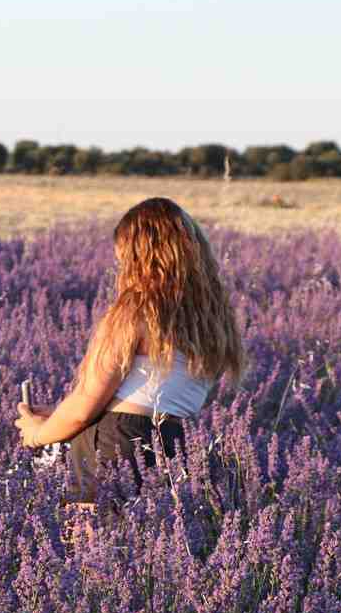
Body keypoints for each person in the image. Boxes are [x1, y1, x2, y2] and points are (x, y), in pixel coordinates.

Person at [14, 197, 247, 536]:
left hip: (114, 446)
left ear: (139, 254)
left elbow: (84, 407)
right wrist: (55, 412)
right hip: (172, 445)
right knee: (143, 564)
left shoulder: (137, 309)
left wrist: (36, 435)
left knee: (91, 567)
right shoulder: (212, 319)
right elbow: (155, 393)